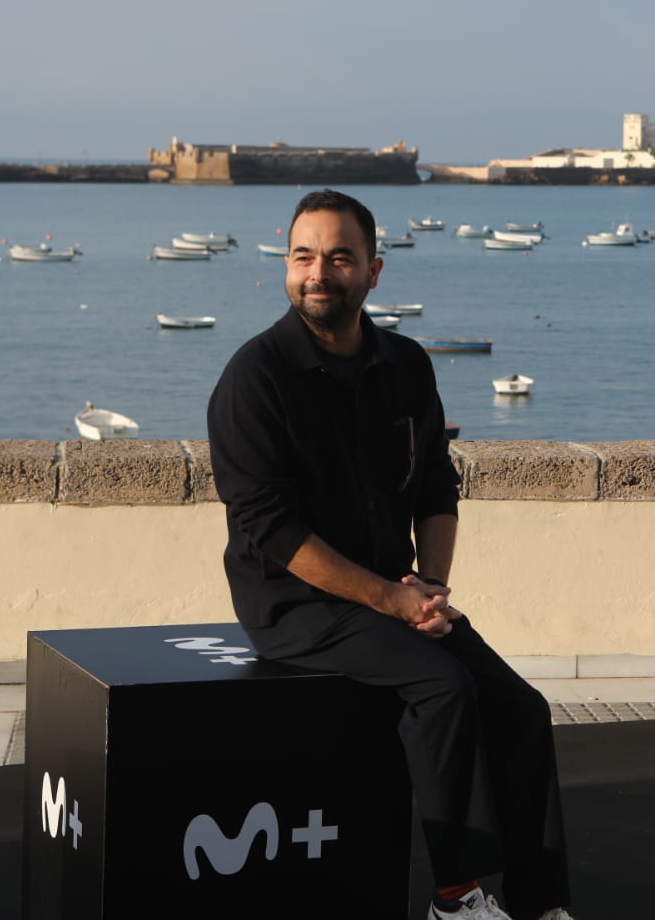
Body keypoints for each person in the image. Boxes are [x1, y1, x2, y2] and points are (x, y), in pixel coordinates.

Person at [207, 190, 576, 920]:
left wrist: (429, 587)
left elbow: (436, 484)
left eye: (339, 257)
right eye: (303, 256)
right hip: (295, 604)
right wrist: (394, 601)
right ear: (285, 267)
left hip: (395, 594)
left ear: (373, 273)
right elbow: (271, 530)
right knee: (442, 688)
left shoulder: (405, 365)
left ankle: (540, 904)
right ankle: (456, 897)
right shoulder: (254, 379)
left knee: (523, 711)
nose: (319, 272)